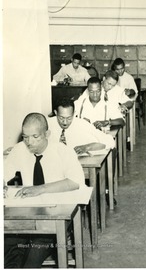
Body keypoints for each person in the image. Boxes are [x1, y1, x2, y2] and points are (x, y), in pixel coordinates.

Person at [4, 113, 85, 268]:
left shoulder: (63, 151)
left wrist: (40, 189)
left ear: (47, 134)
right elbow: (4, 172)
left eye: (35, 136)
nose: (29, 142)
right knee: (9, 258)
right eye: (25, 137)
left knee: (30, 262)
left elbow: (76, 182)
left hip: (53, 220)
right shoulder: (19, 149)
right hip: (25, 218)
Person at [48, 97, 115, 154]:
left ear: (74, 113)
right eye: (61, 118)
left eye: (69, 118)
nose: (65, 122)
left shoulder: (82, 124)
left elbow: (110, 141)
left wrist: (87, 147)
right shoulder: (47, 124)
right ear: (56, 112)